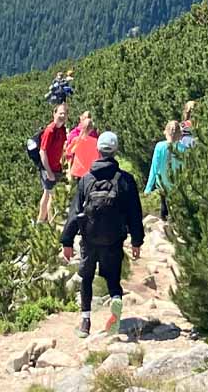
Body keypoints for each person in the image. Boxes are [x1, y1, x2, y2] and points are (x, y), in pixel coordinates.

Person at [61, 131, 144, 338]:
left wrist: (67, 241)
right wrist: (137, 240)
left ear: (98, 151)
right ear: (115, 151)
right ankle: (115, 301)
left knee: (86, 278)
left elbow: (75, 212)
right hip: (114, 239)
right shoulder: (125, 180)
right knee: (113, 278)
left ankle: (85, 322)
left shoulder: (87, 179)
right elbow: (135, 213)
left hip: (89, 239)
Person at [145, 120, 187, 221]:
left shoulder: (160, 146)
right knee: (178, 211)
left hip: (162, 184)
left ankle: (164, 229)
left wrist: (148, 188)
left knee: (164, 207)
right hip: (178, 185)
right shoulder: (183, 148)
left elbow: (154, 168)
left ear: (166, 133)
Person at [37, 103, 69, 223]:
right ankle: (44, 221)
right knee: (49, 194)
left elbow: (62, 148)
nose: (63, 115)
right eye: (60, 113)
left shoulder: (62, 130)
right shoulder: (50, 130)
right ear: (54, 114)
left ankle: (44, 221)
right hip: (48, 169)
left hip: (56, 167)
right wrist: (49, 171)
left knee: (50, 194)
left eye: (65, 113)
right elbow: (42, 151)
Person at [66, 111, 101, 180]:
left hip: (79, 171)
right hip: (91, 171)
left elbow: (68, 152)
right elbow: (99, 156)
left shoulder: (76, 139)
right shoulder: (96, 141)